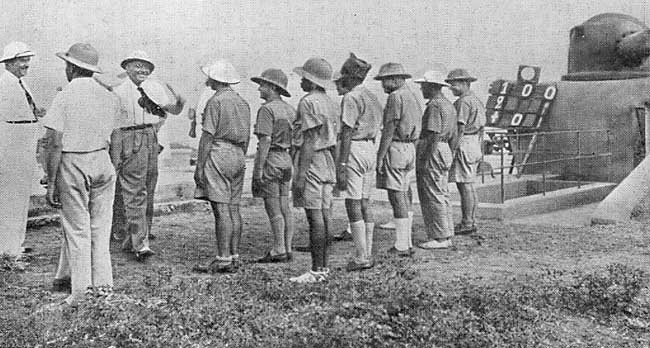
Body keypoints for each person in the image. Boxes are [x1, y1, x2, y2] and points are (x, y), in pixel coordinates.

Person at [42, 43, 119, 306]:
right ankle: (104, 287)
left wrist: (51, 181)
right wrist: (113, 166)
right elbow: (116, 136)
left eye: (67, 65)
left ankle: (80, 293)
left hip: (74, 160)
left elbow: (54, 142)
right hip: (102, 160)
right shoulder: (108, 95)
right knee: (100, 228)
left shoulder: (65, 95)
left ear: (72, 67)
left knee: (77, 230)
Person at [111, 50, 185, 261]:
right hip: (129, 136)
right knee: (134, 191)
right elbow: (114, 124)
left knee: (148, 189)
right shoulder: (118, 90)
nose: (142, 69)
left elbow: (169, 110)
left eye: (146, 66)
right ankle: (139, 243)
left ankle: (134, 238)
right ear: (126, 67)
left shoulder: (154, 88)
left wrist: (179, 103)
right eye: (137, 65)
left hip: (150, 137)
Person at [192, 60, 250, 273]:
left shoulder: (215, 102)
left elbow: (207, 136)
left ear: (215, 79)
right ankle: (235, 255)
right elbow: (247, 136)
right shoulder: (242, 102)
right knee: (234, 207)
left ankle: (223, 257)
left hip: (219, 151)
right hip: (238, 154)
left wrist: (200, 166)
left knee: (221, 208)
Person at [289, 57, 339, 283]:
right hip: (328, 158)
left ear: (311, 80)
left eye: (303, 78)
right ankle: (324, 267)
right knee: (325, 214)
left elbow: (309, 140)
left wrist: (300, 174)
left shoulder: (308, 102)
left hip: (313, 159)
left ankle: (316, 268)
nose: (300, 82)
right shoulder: (331, 102)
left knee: (315, 216)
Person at [332, 53, 382, 271]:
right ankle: (367, 252)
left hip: (356, 148)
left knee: (352, 202)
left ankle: (362, 256)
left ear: (350, 77)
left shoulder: (351, 98)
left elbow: (347, 132)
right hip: (371, 148)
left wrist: (341, 165)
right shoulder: (372, 96)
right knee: (364, 202)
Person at [0, 41, 45, 259]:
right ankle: (7, 250)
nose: (26, 64)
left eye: (28, 60)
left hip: (25, 141)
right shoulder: (2, 84)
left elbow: (27, 110)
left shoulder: (21, 83)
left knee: (21, 194)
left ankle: (16, 245)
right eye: (22, 60)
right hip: (10, 144)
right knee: (10, 196)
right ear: (9, 62)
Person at [374, 62, 421, 257]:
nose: (383, 85)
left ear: (395, 80)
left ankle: (402, 245)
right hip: (410, 146)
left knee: (396, 195)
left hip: (397, 145)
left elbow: (389, 128)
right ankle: (406, 241)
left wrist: (380, 156)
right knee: (404, 192)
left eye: (385, 80)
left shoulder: (395, 97)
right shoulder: (412, 95)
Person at [250, 69, 296, 263]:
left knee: (273, 206)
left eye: (263, 85)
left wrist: (258, 169)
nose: (260, 88)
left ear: (273, 87)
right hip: (287, 159)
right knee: (285, 205)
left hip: (271, 158)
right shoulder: (290, 110)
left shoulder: (267, 110)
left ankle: (278, 249)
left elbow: (265, 141)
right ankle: (287, 246)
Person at [414, 71, 457, 249]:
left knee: (433, 193)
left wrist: (426, 159)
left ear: (432, 86)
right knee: (442, 192)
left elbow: (433, 133)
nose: (422, 89)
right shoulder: (449, 105)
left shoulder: (434, 107)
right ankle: (446, 231)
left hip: (434, 147)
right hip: (445, 148)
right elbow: (453, 134)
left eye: (424, 86)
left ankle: (439, 236)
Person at [446, 69, 485, 234]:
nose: (451, 88)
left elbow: (459, 129)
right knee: (469, 184)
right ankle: (471, 220)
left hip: (465, 142)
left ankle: (467, 222)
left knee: (464, 185)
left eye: (453, 84)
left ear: (464, 83)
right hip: (475, 142)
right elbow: (482, 129)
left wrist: (451, 150)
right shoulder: (476, 100)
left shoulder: (463, 102)